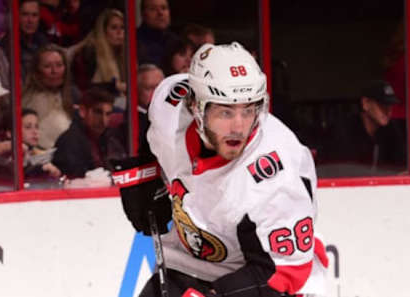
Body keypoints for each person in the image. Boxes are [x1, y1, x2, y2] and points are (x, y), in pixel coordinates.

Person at [112, 42, 328, 297]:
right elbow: (154, 136)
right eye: (226, 112)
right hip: (188, 263)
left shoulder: (276, 174)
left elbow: (283, 272)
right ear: (196, 107)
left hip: (272, 281)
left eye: (248, 110)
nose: (239, 127)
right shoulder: (171, 107)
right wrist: (149, 172)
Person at [319, 81, 404, 176]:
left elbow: (399, 168)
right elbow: (339, 173)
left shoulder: (392, 131)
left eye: (390, 105)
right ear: (365, 103)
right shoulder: (344, 131)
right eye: (382, 105)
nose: (388, 111)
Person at [52, 87, 126, 178]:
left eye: (108, 114)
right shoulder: (69, 142)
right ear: (82, 111)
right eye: (98, 112)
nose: (104, 120)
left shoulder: (107, 138)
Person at [22, 43, 74, 149]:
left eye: (59, 65)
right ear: (37, 72)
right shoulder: (30, 102)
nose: (54, 71)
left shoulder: (71, 95)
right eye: (47, 66)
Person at [71, 8, 126, 95]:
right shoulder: (90, 52)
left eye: (122, 28)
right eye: (114, 28)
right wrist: (114, 86)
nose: (119, 32)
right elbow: (84, 87)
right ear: (103, 31)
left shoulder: (123, 54)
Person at [0, 0, 49, 83]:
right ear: (16, 16)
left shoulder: (44, 42)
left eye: (34, 15)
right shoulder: (8, 45)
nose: (30, 20)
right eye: (25, 14)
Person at [136, 0, 179, 67]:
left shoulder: (176, 42)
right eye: (153, 9)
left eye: (164, 8)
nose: (160, 13)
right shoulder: (134, 41)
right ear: (143, 14)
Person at [21, 108, 62, 178]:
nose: (35, 132)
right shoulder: (8, 157)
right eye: (28, 127)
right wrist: (41, 169)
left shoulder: (43, 154)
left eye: (36, 127)